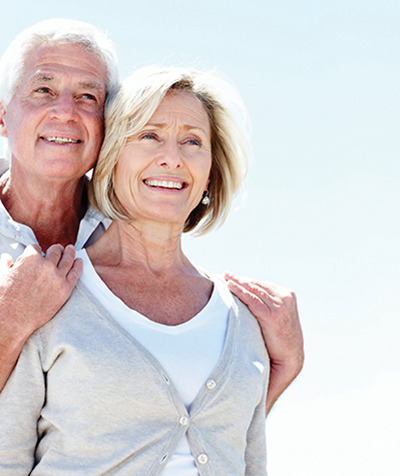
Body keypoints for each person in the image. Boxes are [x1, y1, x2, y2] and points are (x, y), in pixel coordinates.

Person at [0, 19, 303, 413]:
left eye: (88, 97)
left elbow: (178, 428)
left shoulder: (134, 226)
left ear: (108, 124)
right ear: (3, 117)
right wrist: (9, 322)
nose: (66, 112)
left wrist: (281, 365)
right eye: (44, 90)